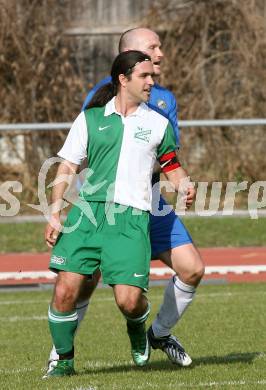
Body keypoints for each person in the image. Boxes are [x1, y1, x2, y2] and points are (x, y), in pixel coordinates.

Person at [47, 27, 204, 370]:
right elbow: (80, 160)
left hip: (145, 203)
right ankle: (60, 354)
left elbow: (168, 159)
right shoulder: (96, 105)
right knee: (77, 284)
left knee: (185, 272)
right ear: (126, 69)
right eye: (152, 50)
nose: (160, 56)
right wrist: (62, 209)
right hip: (99, 208)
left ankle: (157, 334)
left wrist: (183, 183)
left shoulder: (163, 105)